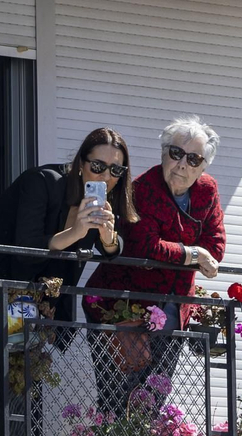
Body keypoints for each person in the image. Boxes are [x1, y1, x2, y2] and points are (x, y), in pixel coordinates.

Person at [0, 127, 137, 321]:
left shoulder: (104, 197)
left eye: (116, 170)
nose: (106, 177)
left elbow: (115, 247)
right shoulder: (42, 182)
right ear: (81, 163)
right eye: (98, 166)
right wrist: (76, 232)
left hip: (39, 300)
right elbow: (27, 248)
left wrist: (108, 239)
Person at [90, 116, 227, 327]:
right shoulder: (142, 190)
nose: (182, 164)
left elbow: (215, 248)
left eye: (193, 159)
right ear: (163, 153)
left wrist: (193, 254)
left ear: (203, 167)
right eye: (176, 153)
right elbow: (148, 247)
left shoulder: (208, 190)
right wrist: (197, 254)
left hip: (175, 306)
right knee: (130, 361)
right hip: (123, 307)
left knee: (167, 360)